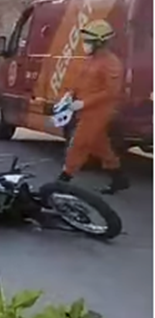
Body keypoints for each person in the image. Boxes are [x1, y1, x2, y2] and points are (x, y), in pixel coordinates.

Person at [59, 19, 129, 194]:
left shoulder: (112, 63)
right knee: (100, 146)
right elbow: (80, 80)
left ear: (99, 42)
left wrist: (83, 103)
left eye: (88, 41)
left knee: (79, 144)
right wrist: (69, 94)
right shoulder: (91, 59)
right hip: (86, 110)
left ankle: (63, 179)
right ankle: (119, 177)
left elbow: (110, 92)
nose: (85, 44)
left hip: (99, 111)